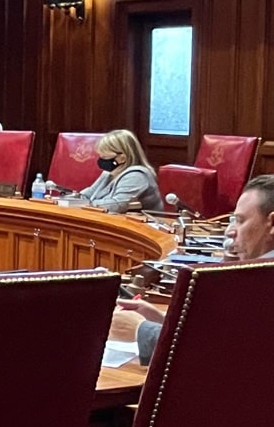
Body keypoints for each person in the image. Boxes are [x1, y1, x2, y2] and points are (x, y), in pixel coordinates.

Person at [118, 174, 274, 361]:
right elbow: (219, 333)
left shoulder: (261, 279)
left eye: (240, 221)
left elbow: (226, 352)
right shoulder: (256, 273)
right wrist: (164, 322)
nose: (230, 231)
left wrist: (141, 330)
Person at [70, 129, 161, 212]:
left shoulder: (137, 176)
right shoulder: (109, 173)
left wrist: (85, 204)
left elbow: (117, 205)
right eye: (100, 156)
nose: (101, 160)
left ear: (122, 158)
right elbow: (88, 194)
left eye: (105, 157)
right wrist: (69, 199)